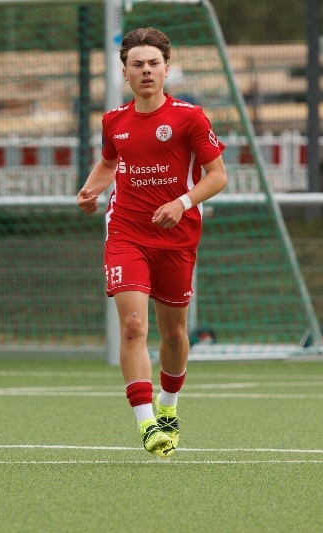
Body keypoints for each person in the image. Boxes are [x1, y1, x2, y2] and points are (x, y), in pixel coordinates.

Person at [76, 27, 227, 458]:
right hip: (126, 232)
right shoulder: (114, 121)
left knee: (174, 334)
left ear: (166, 69)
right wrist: (90, 190)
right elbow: (109, 163)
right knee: (132, 326)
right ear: (125, 72)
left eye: (153, 63)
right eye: (137, 64)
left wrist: (182, 202)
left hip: (176, 236)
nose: (146, 71)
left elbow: (218, 176)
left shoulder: (189, 118)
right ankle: (147, 424)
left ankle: (168, 406)